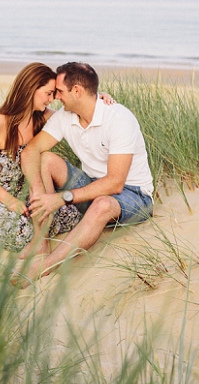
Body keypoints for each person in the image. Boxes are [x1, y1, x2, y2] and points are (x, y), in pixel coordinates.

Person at [18, 62, 154, 284]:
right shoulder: (65, 117)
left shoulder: (119, 119)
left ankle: (46, 265)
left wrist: (60, 199)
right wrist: (40, 196)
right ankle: (41, 242)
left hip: (134, 196)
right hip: (92, 185)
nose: (56, 98)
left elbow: (115, 184)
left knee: (103, 203)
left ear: (77, 91)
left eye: (60, 92)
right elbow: (31, 151)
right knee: (45, 160)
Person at [0, 62, 115, 254]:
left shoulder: (43, 117)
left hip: (29, 192)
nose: (52, 99)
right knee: (23, 235)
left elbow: (77, 110)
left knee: (70, 218)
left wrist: (98, 96)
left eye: (55, 94)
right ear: (31, 89)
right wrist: (11, 202)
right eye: (48, 93)